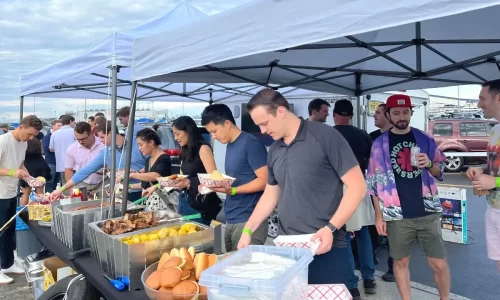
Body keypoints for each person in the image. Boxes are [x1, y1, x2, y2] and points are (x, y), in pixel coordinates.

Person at [237, 88, 366, 299]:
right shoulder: (275, 150)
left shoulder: (325, 136)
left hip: (327, 244)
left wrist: (330, 228)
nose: (262, 131)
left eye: (264, 123)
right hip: (289, 249)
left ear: (280, 111)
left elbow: (358, 187)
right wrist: (248, 231)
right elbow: (271, 195)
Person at [366, 94, 449, 300]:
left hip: (427, 212)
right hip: (396, 214)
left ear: (411, 112)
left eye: (405, 112)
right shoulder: (379, 144)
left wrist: (430, 164)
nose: (401, 116)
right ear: (389, 115)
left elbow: (441, 171)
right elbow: (373, 183)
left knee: (438, 263)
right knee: (401, 262)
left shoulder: (425, 139)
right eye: (396, 112)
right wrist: (379, 216)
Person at [201, 104, 269, 251]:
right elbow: (241, 177)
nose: (213, 136)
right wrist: (211, 184)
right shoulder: (231, 144)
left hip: (249, 219)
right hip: (232, 216)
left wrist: (233, 191)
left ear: (227, 123)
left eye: (214, 131)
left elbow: (265, 181)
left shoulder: (250, 143)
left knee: (243, 268)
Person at [332, 99, 376, 295]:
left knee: (342, 236)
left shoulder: (329, 135)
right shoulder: (363, 135)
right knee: (363, 233)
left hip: (336, 190)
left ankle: (351, 284)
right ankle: (369, 279)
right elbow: (370, 163)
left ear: (335, 115)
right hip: (359, 186)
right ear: (351, 116)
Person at [144, 116, 221, 224]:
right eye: (173, 134)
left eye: (177, 134)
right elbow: (180, 178)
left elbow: (214, 178)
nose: (175, 138)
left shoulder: (203, 149)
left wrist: (189, 182)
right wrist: (157, 186)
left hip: (201, 204)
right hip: (185, 201)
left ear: (188, 131)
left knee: (199, 238)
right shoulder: (185, 150)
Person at [49, 121, 145, 202]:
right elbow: (84, 171)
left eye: (102, 137)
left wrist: (139, 172)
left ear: (111, 133)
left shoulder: (137, 142)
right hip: (122, 193)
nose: (101, 140)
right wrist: (61, 189)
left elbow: (156, 161)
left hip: (143, 191)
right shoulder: (105, 152)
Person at [0, 115, 43, 284]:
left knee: (9, 231)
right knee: (1, 231)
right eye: (29, 134)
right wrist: (12, 173)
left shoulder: (23, 143)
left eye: (33, 135)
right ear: (20, 127)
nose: (31, 138)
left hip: (10, 191)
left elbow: (20, 165)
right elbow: (12, 170)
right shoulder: (3, 141)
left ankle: (7, 264)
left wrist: (30, 179)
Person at [466, 79, 500, 272]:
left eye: (482, 99)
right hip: (493, 208)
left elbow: (495, 179)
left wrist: (494, 181)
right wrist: (481, 169)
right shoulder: (495, 130)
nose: (479, 105)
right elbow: (495, 166)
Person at [369, 102, 394, 282]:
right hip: (376, 193)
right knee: (373, 227)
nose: (374, 116)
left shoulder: (401, 137)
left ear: (388, 115)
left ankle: (393, 268)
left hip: (395, 197)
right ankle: (371, 258)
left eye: (378, 113)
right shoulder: (371, 138)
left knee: (394, 233)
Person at [119, 128, 172, 210]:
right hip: (150, 203)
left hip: (161, 204)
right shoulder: (149, 159)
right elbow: (145, 184)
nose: (139, 148)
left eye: (141, 144)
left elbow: (156, 176)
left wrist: (133, 175)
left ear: (151, 142)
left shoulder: (164, 158)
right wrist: (128, 186)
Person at [64, 122, 105, 193]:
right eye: (78, 139)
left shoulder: (103, 144)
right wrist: (71, 189)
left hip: (103, 183)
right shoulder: (72, 149)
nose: (80, 142)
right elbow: (68, 169)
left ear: (90, 133)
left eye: (83, 139)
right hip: (82, 183)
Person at [20, 138, 52, 206]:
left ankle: (22, 212)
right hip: (40, 166)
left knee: (25, 192)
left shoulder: (24, 143)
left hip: (27, 166)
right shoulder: (37, 142)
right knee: (40, 191)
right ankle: (42, 209)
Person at [49, 115, 75, 190]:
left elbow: (51, 149)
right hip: (75, 163)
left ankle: (67, 200)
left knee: (65, 185)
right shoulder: (74, 132)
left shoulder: (54, 134)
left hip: (61, 164)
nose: (74, 124)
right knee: (77, 184)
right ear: (70, 121)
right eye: (74, 122)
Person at [42, 120, 62, 193]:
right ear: (53, 126)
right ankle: (49, 198)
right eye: (58, 125)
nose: (60, 127)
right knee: (50, 182)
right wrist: (59, 148)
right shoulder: (47, 137)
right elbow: (47, 148)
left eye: (61, 126)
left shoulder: (60, 136)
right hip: (51, 162)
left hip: (60, 162)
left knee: (57, 182)